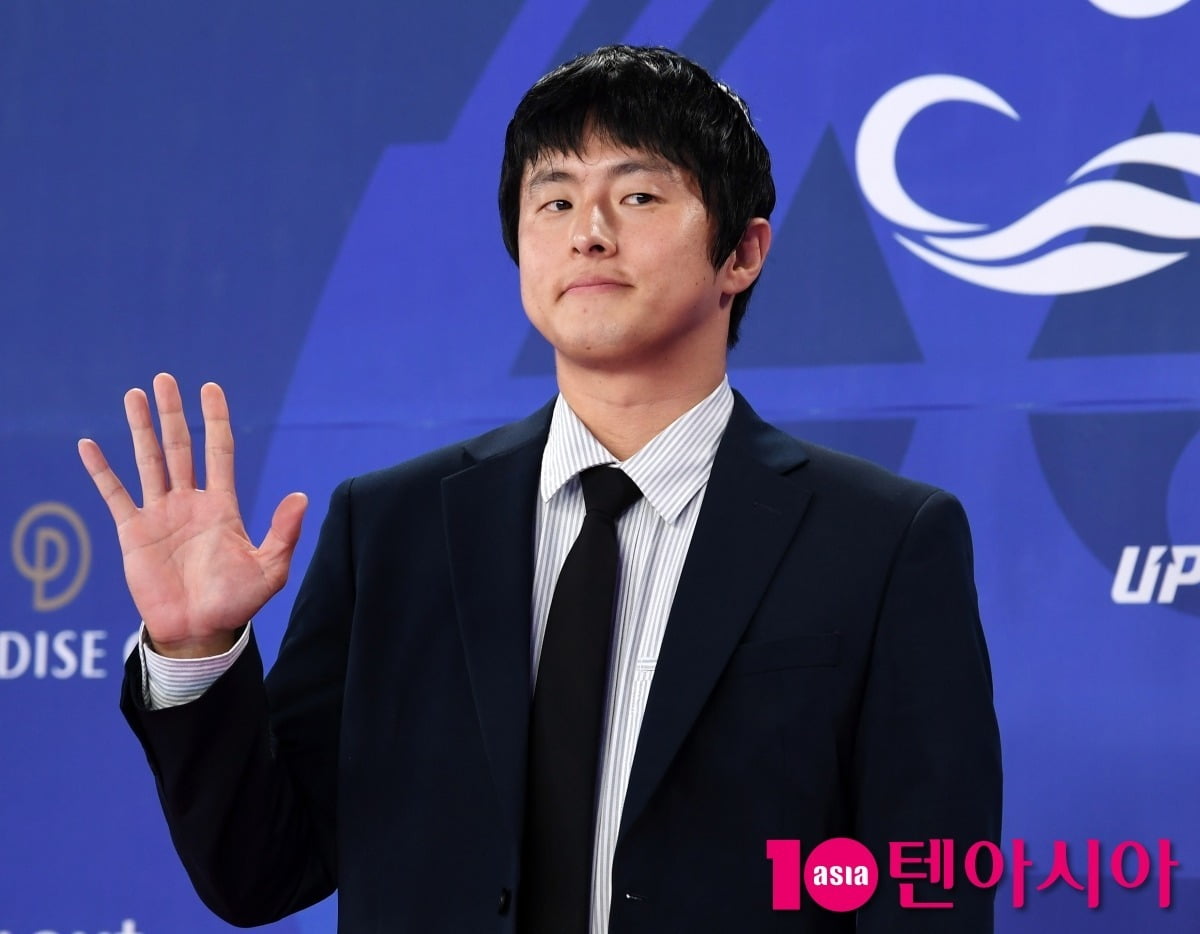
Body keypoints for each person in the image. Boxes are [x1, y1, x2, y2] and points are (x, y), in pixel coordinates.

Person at [79, 45, 1001, 933]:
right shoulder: (391, 530)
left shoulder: (881, 542)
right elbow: (262, 870)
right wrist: (195, 649)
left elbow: (926, 890)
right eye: (553, 200)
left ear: (742, 254)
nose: (588, 232)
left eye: (637, 195)